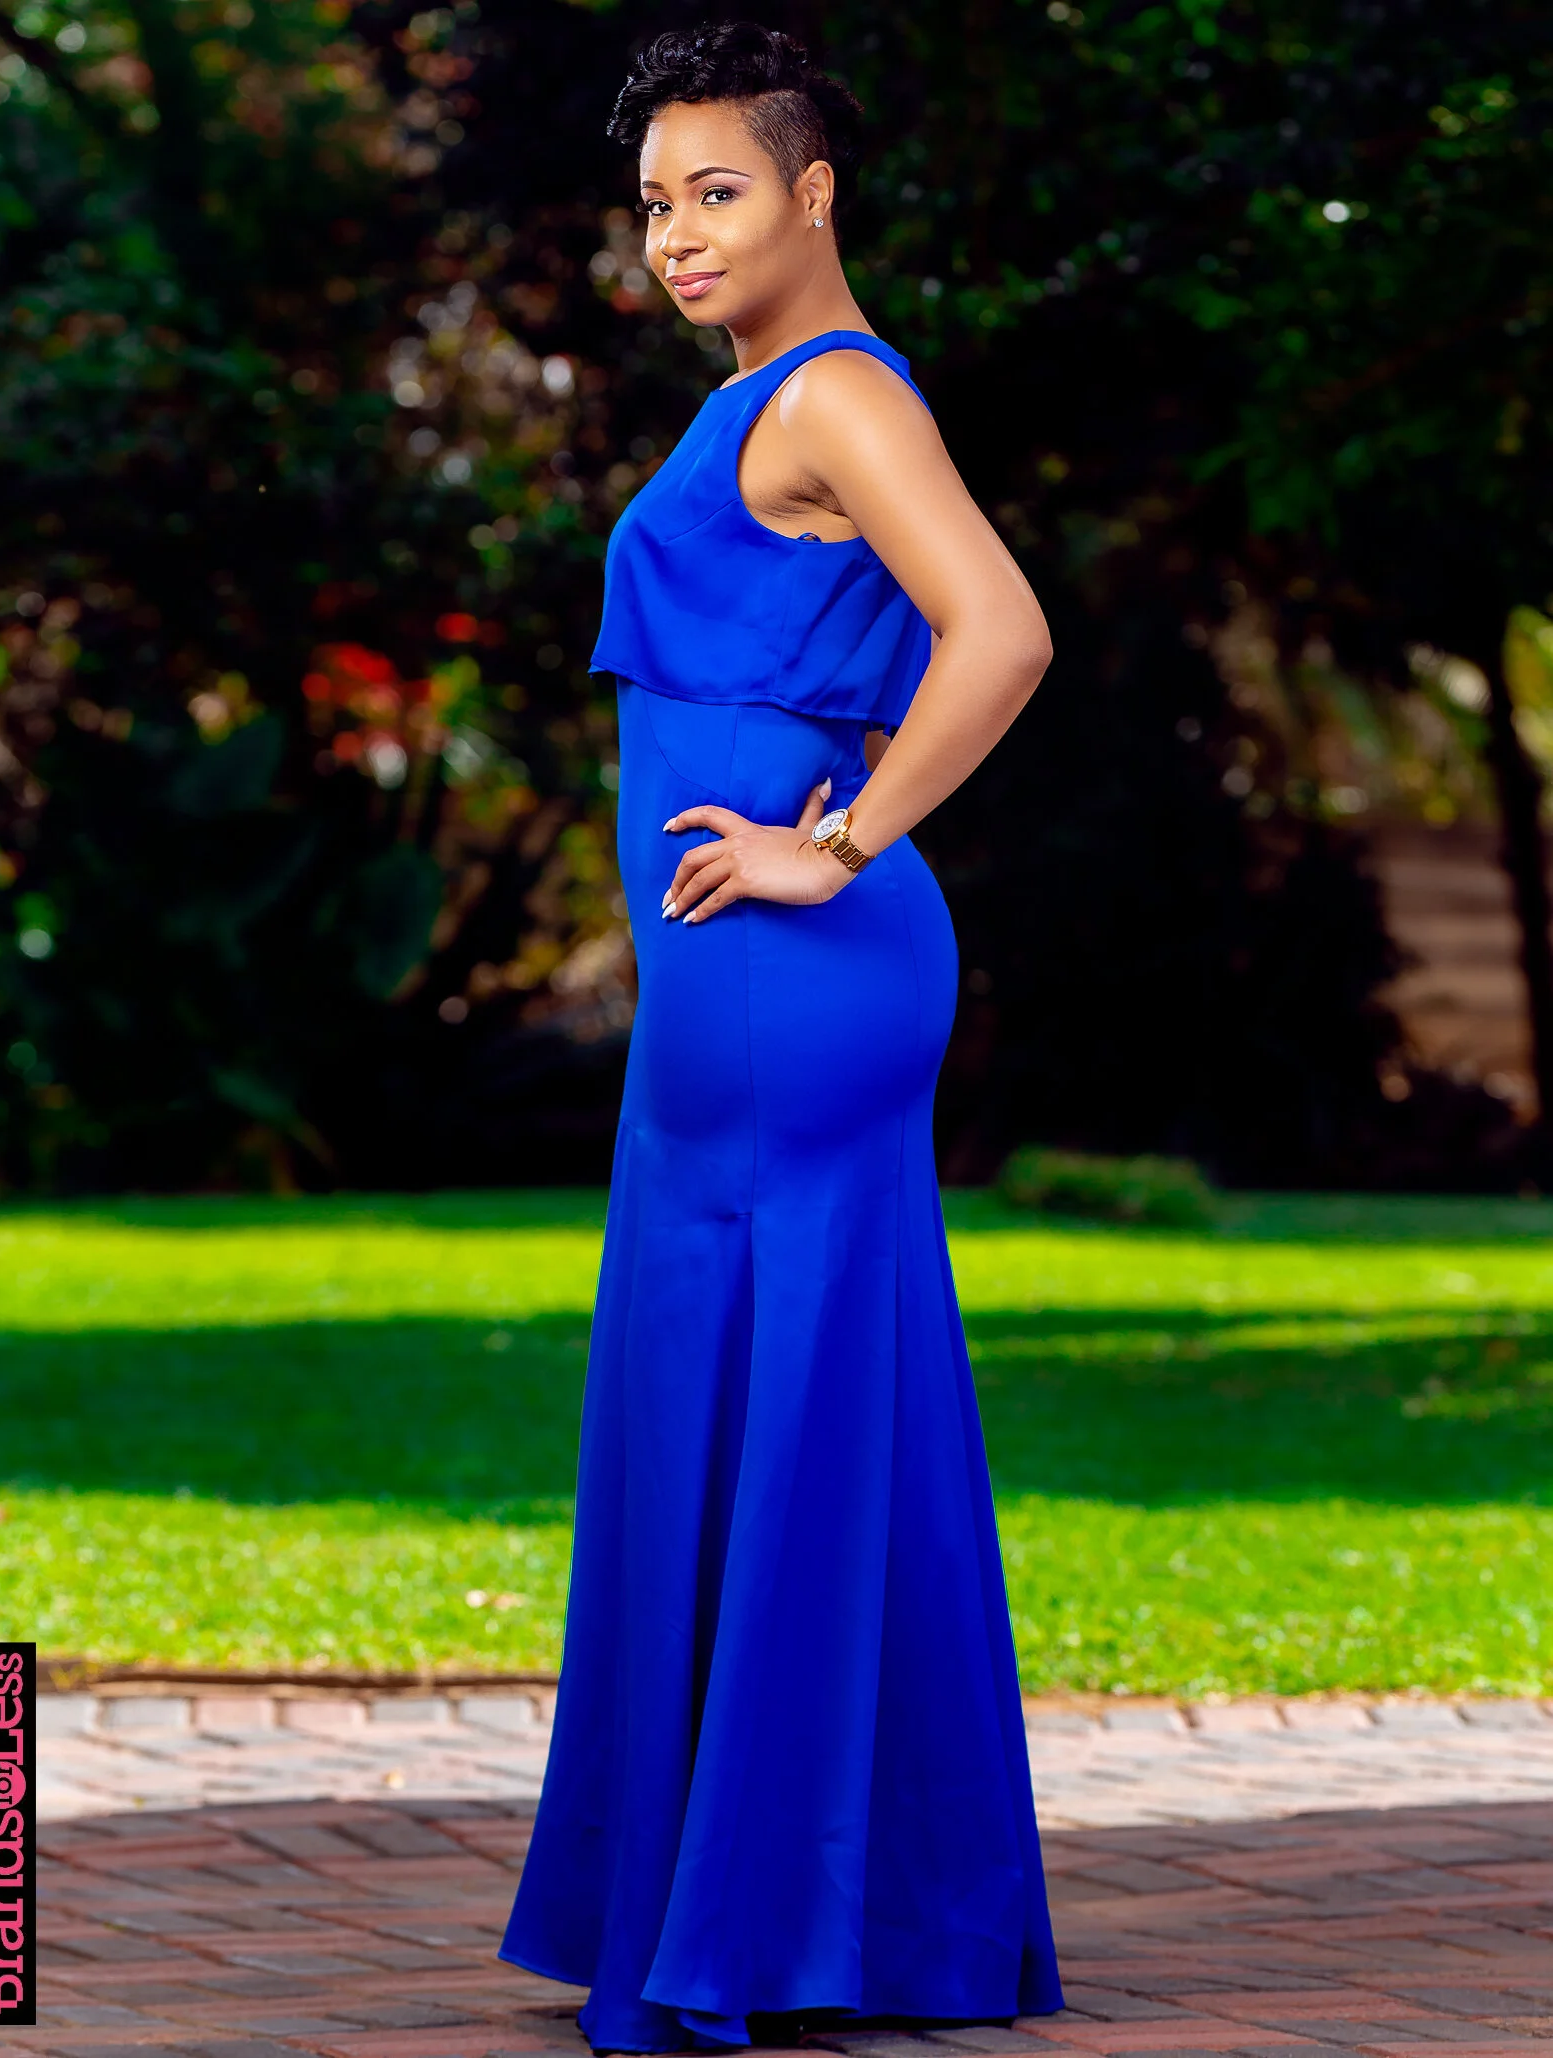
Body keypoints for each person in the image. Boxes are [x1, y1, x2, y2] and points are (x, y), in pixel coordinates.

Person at [499, 22, 1062, 2053]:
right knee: (798, 1410)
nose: (674, 235)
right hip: (740, 985)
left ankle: (761, 1924)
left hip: (794, 967)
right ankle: (858, 1919)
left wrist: (842, 841)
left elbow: (997, 626)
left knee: (775, 1400)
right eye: (654, 203)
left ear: (814, 196)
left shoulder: (831, 393)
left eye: (717, 192)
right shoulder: (760, 391)